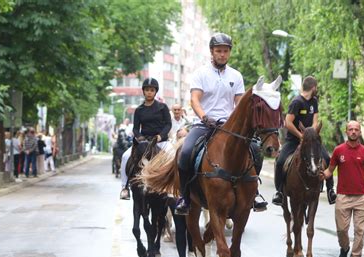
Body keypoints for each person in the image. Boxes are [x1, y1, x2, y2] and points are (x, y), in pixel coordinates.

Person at [175, 33, 267, 215]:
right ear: (212, 52)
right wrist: (204, 117)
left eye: (225, 51)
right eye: (218, 51)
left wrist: (237, 123)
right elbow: (195, 99)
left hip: (229, 126)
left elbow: (240, 104)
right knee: (185, 152)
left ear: (229, 53)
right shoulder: (201, 73)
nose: (222, 54)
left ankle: (254, 193)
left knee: (256, 150)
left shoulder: (236, 76)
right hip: (204, 124)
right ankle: (185, 197)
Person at [321, 120, 364, 257]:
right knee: (341, 230)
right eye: (350, 129)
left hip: (361, 198)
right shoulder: (338, 151)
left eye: (356, 129)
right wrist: (320, 176)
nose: (353, 132)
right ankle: (344, 247)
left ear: (360, 132)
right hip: (343, 197)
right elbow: (329, 171)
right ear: (346, 132)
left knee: (360, 231)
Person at [272, 76, 337, 206]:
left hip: (311, 140)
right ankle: (279, 192)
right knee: (280, 162)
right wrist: (300, 135)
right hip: (294, 140)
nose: (316, 90)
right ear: (313, 88)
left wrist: (310, 135)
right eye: (316, 88)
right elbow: (288, 122)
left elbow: (315, 121)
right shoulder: (296, 102)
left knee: (327, 159)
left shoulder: (314, 101)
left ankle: (330, 190)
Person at [120, 78, 172, 200]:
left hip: (161, 141)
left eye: (152, 90)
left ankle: (172, 188)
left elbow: (168, 124)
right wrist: (140, 138)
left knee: (174, 156)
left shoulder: (162, 107)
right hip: (144, 142)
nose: (149, 92)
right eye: (147, 90)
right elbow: (136, 129)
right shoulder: (139, 110)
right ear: (143, 92)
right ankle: (125, 187)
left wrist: (160, 136)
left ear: (155, 92)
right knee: (125, 156)